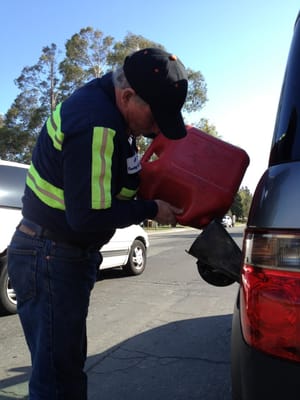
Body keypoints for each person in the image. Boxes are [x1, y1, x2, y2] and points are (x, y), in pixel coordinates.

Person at [7, 47, 188, 400]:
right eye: (155, 118)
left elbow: (110, 182)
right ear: (127, 95)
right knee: (58, 383)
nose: (155, 130)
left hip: (58, 255)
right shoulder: (97, 124)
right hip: (50, 258)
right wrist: (150, 209)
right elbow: (87, 217)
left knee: (65, 370)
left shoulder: (112, 110)